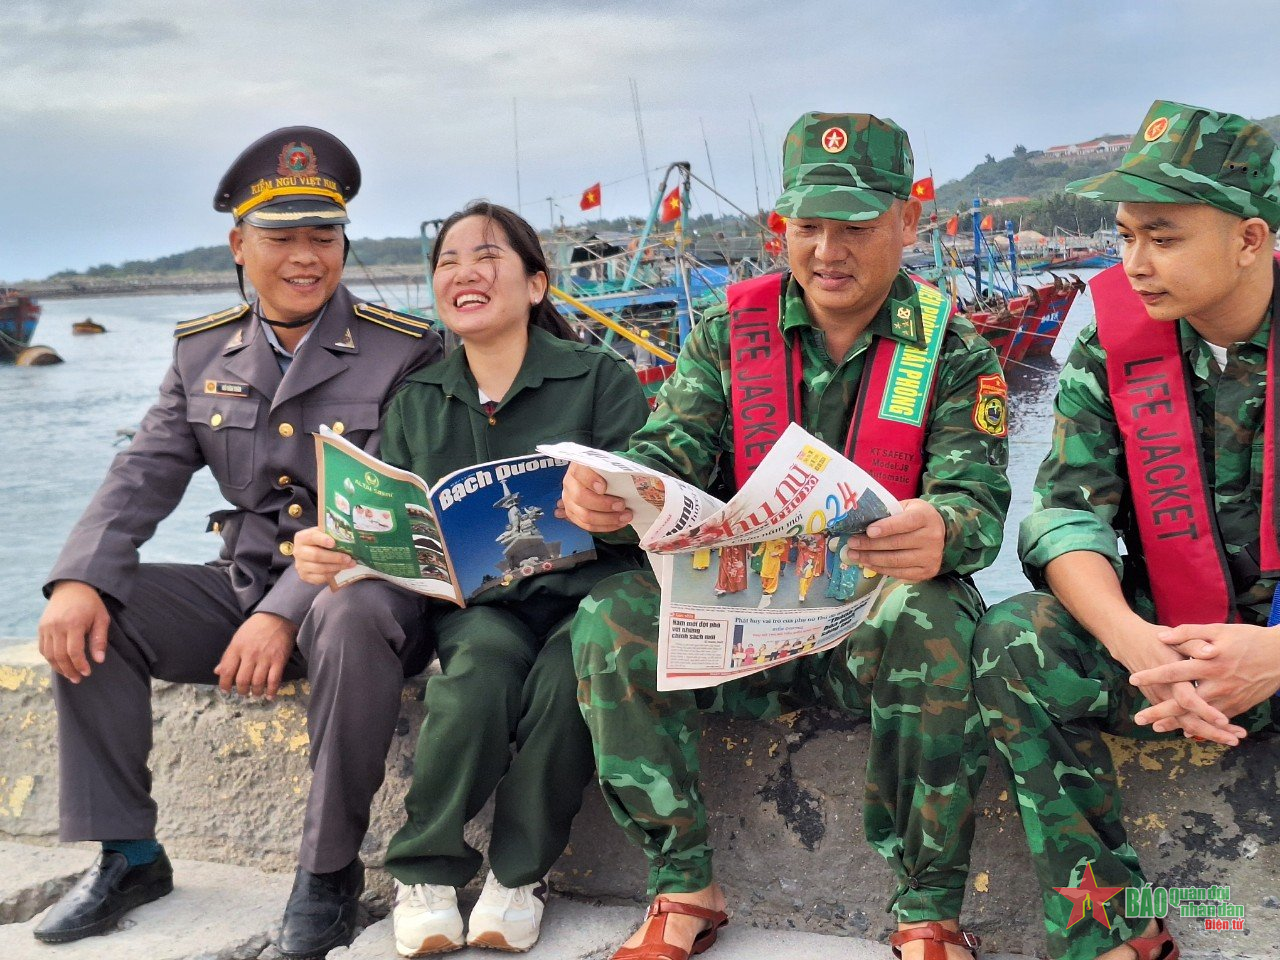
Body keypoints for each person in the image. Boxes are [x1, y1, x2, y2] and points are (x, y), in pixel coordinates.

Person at [561, 112, 1010, 960]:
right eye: (808, 227)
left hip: (868, 631)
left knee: (940, 621)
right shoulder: (726, 335)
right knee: (608, 618)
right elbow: (669, 451)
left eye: (855, 227)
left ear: (908, 223)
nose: (827, 252)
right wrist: (620, 489)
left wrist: (941, 528)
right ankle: (683, 883)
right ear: (783, 228)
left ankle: (929, 910)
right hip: (741, 628)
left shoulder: (952, 348)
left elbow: (979, 501)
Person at [32, 126, 443, 953]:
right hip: (243, 587)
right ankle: (130, 855)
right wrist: (76, 576)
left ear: (343, 244)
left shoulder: (403, 351)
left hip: (366, 596)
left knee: (353, 614)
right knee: (102, 607)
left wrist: (287, 609)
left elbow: (379, 509)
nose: (305, 256)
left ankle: (326, 877)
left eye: (322, 237)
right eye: (280, 237)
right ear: (238, 245)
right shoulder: (201, 353)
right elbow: (141, 473)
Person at [292, 201, 649, 957]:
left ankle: (519, 876)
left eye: (487, 256)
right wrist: (338, 548)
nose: (464, 272)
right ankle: (424, 872)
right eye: (448, 261)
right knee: (477, 671)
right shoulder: (419, 400)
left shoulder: (599, 379)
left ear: (536, 284)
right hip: (476, 604)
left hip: (589, 599)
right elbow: (393, 528)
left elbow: (655, 499)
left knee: (566, 682)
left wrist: (607, 505)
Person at [973, 100, 1280, 960]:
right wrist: (1136, 642)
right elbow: (1067, 515)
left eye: (1165, 236)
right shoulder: (1114, 350)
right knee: (1012, 637)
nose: (1135, 264)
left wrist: (1274, 654)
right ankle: (1112, 934)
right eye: (1124, 235)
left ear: (1250, 239)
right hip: (1170, 650)